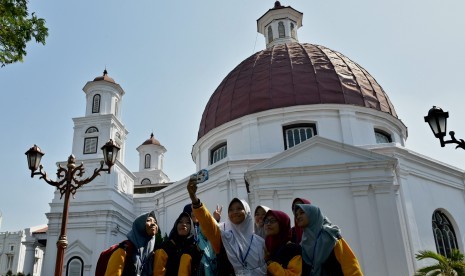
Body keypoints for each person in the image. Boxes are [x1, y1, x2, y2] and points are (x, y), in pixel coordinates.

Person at [187, 178, 267, 275]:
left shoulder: (259, 242)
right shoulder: (223, 237)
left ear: (247, 212)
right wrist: (194, 199)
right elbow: (208, 223)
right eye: (231, 210)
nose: (235, 212)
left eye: (239, 208)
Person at [295, 204, 363, 275]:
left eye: (302, 213)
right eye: (296, 215)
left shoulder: (331, 237)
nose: (298, 217)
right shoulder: (303, 244)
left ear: (313, 214)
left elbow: (350, 266)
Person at [105, 211, 158, 276]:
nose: (153, 224)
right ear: (139, 225)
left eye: (155, 222)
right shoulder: (125, 249)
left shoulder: (152, 255)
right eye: (148, 220)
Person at [183, 203, 220, 276]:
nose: (194, 213)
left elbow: (210, 233)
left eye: (195, 211)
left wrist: (216, 221)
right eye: (192, 211)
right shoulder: (185, 231)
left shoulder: (201, 228)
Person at [264, 210, 302, 276]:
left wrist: (270, 264)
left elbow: (294, 274)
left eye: (273, 221)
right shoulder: (266, 246)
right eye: (266, 221)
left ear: (282, 224)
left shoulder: (293, 249)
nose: (268, 224)